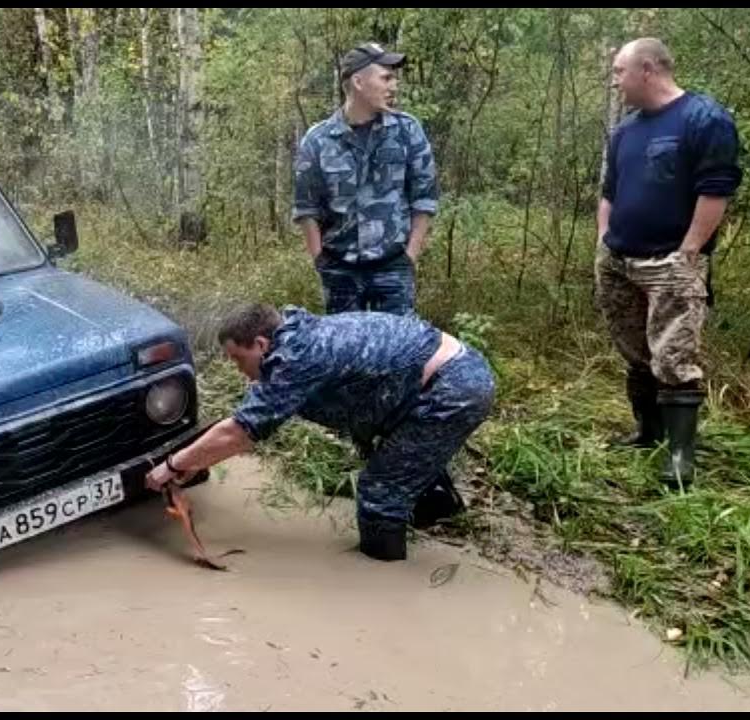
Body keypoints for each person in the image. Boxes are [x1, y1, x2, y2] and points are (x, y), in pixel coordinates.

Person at [144, 304, 494, 561]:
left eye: (238, 359)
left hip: (453, 388)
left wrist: (173, 466)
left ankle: (382, 577)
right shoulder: (295, 337)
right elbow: (245, 419)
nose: (240, 370)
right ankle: (440, 513)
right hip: (436, 382)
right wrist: (194, 458)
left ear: (262, 345)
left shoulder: (299, 359)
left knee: (378, 492)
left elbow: (240, 432)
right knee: (396, 456)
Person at [596, 37, 742, 487]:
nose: (615, 81)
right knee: (637, 351)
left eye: (620, 71)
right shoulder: (626, 129)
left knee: (675, 355)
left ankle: (680, 457)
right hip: (619, 260)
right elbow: (609, 192)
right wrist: (604, 242)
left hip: (671, 263)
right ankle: (648, 433)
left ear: (648, 70)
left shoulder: (704, 119)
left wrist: (690, 251)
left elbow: (716, 189)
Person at [292, 42, 438, 316]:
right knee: (346, 355)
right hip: (339, 269)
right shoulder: (319, 140)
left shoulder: (407, 131)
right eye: (386, 77)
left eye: (394, 78)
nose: (393, 86)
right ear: (358, 81)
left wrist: (411, 255)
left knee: (397, 353)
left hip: (393, 266)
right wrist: (319, 259)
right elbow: (306, 206)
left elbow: (425, 198)